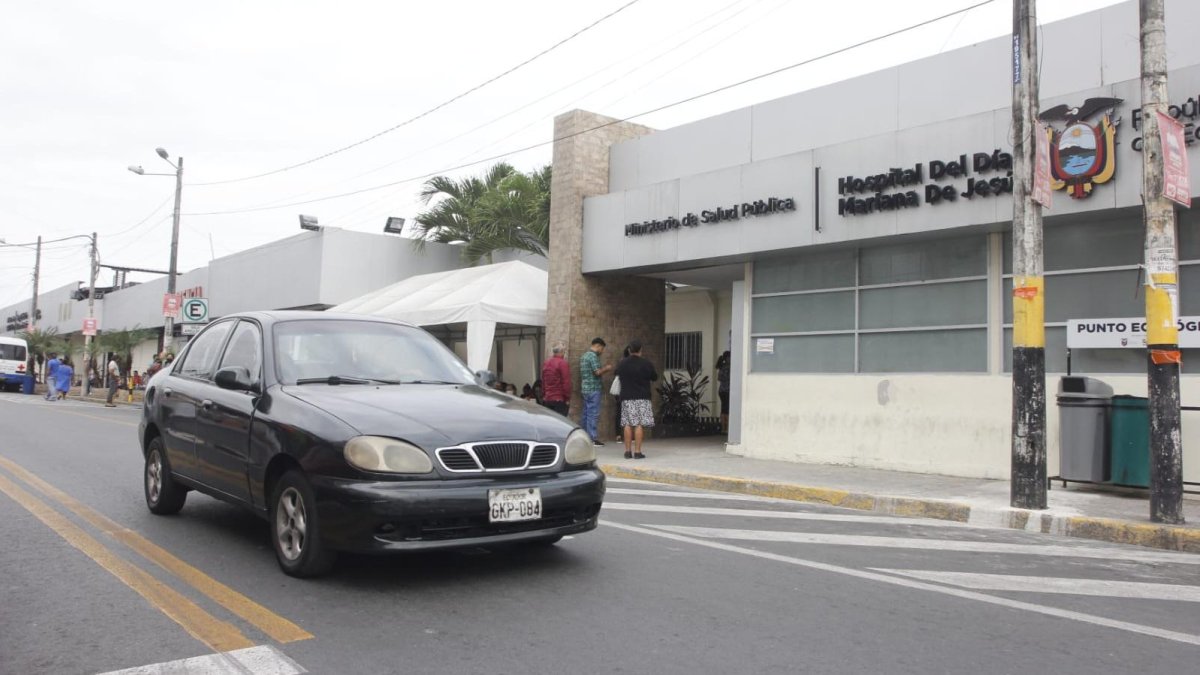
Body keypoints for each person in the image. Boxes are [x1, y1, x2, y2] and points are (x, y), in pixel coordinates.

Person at [614, 340, 658, 459]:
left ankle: (627, 452)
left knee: (627, 424)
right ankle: (638, 452)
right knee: (639, 424)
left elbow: (616, 373)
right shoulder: (646, 363)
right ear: (640, 350)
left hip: (626, 397)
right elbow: (654, 377)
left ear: (629, 350)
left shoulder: (622, 363)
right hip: (642, 397)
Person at [579, 337, 614, 446]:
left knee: (585, 413)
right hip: (593, 388)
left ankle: (584, 437)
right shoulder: (593, 356)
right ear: (598, 346)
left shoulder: (584, 356)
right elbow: (597, 372)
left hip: (585, 388)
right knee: (593, 414)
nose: (602, 351)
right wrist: (607, 368)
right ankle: (592, 438)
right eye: (602, 349)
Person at [540, 343, 571, 416]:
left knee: (550, 421)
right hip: (559, 398)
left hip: (548, 398)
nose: (564, 354)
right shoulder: (562, 363)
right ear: (562, 352)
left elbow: (543, 380)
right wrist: (567, 398)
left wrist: (544, 394)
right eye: (564, 352)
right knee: (560, 421)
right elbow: (566, 382)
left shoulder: (546, 362)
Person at [716, 350, 732, 434]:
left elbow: (719, 378)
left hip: (722, 390)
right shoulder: (728, 367)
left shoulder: (722, 366)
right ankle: (726, 429)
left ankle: (724, 428)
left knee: (724, 409)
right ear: (727, 358)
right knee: (727, 410)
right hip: (727, 391)